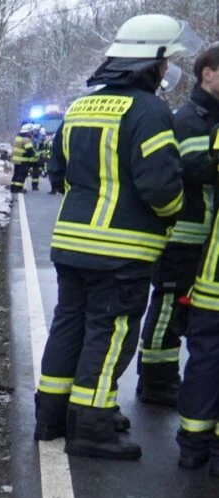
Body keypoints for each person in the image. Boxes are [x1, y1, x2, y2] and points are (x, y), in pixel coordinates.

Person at [36, 14, 199, 460]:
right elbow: (161, 187)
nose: (167, 71)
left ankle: (52, 416)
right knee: (109, 335)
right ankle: (92, 426)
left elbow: (58, 171)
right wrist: (173, 216)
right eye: (165, 63)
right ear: (151, 64)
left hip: (71, 244)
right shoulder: (149, 111)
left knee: (69, 326)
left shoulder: (80, 106)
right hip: (123, 251)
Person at [137, 46, 219, 407]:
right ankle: (155, 380)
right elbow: (196, 167)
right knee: (168, 305)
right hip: (183, 233)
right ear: (207, 73)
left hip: (206, 238)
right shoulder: (189, 118)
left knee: (187, 309)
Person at [11, 123, 37, 194]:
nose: (32, 133)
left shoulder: (17, 138)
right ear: (28, 131)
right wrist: (35, 155)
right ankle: (19, 188)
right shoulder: (26, 140)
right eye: (31, 131)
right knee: (22, 175)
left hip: (16, 160)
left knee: (16, 174)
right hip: (23, 161)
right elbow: (30, 151)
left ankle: (13, 188)